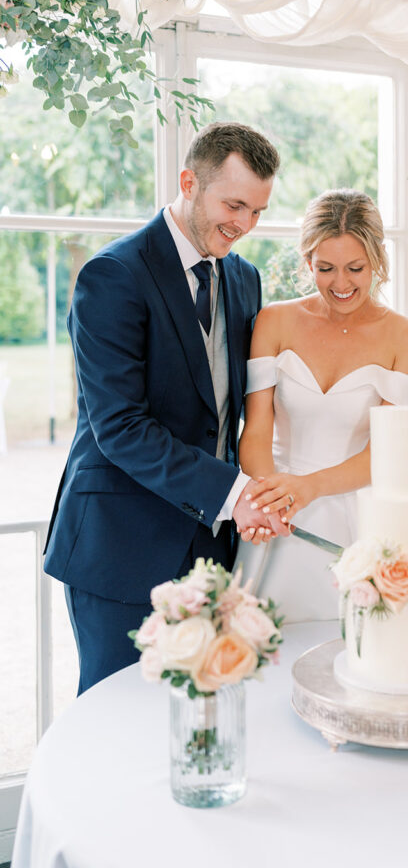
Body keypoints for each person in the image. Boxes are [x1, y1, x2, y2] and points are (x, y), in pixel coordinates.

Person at [44, 122, 284, 693]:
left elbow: (241, 405)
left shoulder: (245, 280)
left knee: (197, 720)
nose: (245, 225)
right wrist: (234, 493)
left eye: (257, 211)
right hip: (120, 547)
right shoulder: (114, 276)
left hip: (213, 548)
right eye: (234, 205)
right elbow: (121, 428)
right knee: (115, 726)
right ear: (188, 182)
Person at [236, 189, 408, 621]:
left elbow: (386, 451)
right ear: (307, 260)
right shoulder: (274, 321)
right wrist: (267, 499)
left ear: (378, 260)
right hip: (276, 502)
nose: (341, 284)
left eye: (355, 268)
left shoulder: (406, 338)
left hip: (357, 509)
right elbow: (255, 431)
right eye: (325, 268)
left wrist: (308, 489)